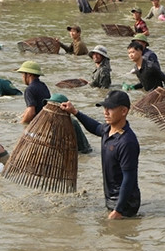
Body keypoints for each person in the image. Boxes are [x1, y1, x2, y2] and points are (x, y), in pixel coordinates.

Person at [60, 91, 140, 219]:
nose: (105, 112)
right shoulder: (108, 129)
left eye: (110, 108)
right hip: (111, 199)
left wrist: (118, 210)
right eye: (105, 108)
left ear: (124, 111)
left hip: (125, 204)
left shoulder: (127, 142)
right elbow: (95, 127)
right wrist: (75, 112)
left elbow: (129, 178)